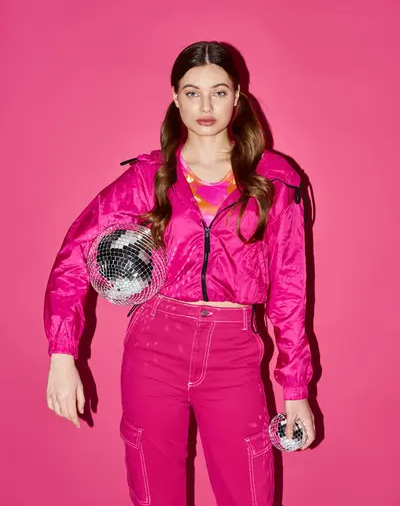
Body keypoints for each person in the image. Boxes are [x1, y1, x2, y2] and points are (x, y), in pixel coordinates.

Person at [44, 41, 315, 506]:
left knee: (249, 493)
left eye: (218, 92)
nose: (205, 106)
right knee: (154, 493)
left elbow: (289, 290)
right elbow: (74, 254)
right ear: (175, 97)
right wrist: (62, 354)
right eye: (192, 93)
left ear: (237, 97)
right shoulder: (149, 176)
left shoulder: (274, 178)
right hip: (155, 344)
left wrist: (295, 389)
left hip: (234, 351)